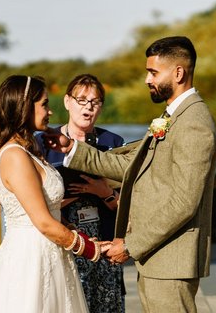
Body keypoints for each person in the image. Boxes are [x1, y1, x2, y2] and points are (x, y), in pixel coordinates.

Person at [45, 36, 216, 313]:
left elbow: (184, 203)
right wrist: (71, 149)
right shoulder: (174, 117)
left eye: (153, 72)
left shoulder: (193, 124)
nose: (147, 79)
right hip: (158, 258)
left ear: (178, 73)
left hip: (172, 260)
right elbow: (133, 169)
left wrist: (130, 245)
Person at [0, 75, 111, 313]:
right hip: (31, 258)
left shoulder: (28, 150)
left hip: (51, 252)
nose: (50, 112)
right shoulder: (14, 156)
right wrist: (91, 250)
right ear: (24, 107)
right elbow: (43, 222)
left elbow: (51, 212)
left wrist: (78, 234)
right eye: (44, 104)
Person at [36, 74, 126, 313]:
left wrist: (104, 192)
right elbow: (35, 205)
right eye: (82, 100)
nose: (88, 107)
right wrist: (73, 193)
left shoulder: (113, 142)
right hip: (66, 244)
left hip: (105, 247)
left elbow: (126, 208)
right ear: (67, 102)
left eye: (95, 102)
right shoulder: (44, 142)